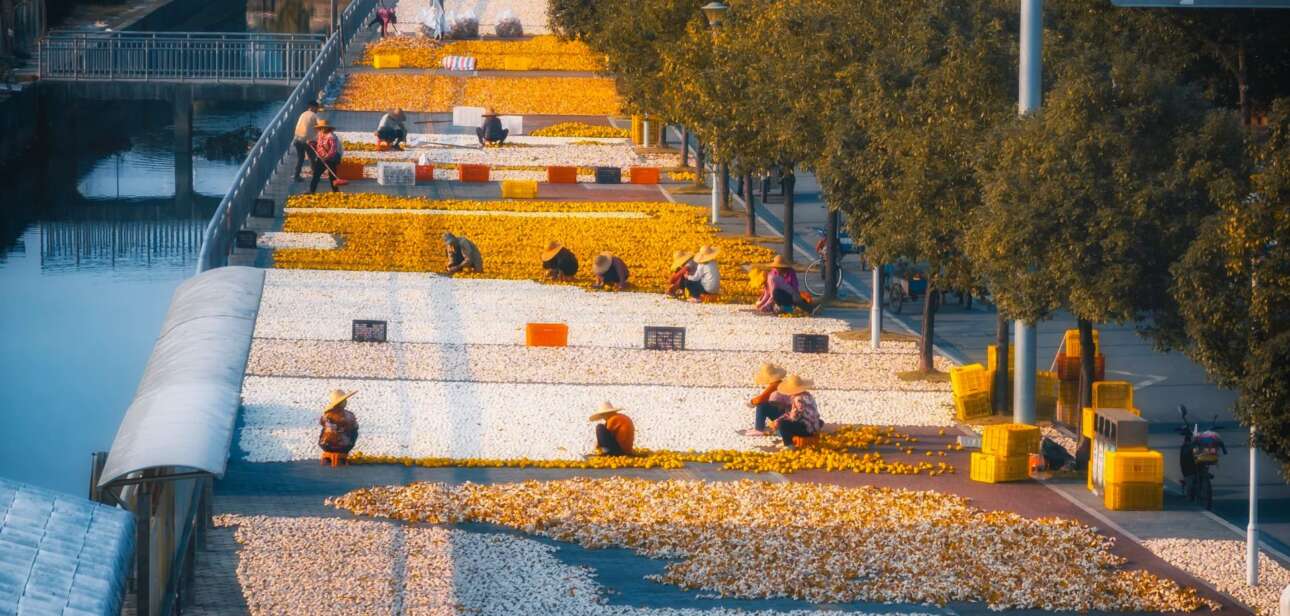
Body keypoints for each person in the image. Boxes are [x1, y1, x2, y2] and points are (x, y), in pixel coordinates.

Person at [768, 375, 822, 448]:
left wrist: (779, 421)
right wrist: (780, 418)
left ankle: (789, 444)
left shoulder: (798, 399)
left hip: (808, 430)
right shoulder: (808, 395)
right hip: (815, 426)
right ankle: (786, 440)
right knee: (783, 422)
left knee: (783, 425)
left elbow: (794, 417)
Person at [741, 363, 790, 436]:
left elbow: (762, 398)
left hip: (785, 415)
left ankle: (759, 429)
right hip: (786, 413)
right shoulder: (780, 383)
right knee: (765, 403)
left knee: (762, 405)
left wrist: (751, 402)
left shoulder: (775, 385)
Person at [318, 389, 360, 461]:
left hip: (325, 445)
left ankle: (329, 456)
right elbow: (355, 426)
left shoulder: (326, 414)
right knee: (354, 431)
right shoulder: (349, 415)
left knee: (324, 429)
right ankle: (341, 454)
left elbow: (321, 422)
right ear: (342, 402)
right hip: (343, 446)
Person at [309, 119, 344, 194]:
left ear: (328, 128)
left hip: (331, 159)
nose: (322, 129)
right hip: (321, 158)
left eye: (324, 128)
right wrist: (312, 143)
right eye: (321, 128)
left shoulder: (331, 137)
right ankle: (312, 191)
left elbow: (333, 150)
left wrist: (326, 157)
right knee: (316, 174)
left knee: (332, 176)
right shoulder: (320, 134)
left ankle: (336, 192)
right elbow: (319, 145)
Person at [292, 101, 322, 182]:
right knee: (312, 157)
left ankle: (296, 176)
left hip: (297, 139)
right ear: (312, 107)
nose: (317, 110)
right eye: (317, 108)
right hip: (308, 140)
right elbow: (321, 125)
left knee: (300, 158)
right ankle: (315, 175)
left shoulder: (303, 114)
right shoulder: (314, 115)